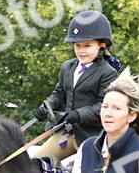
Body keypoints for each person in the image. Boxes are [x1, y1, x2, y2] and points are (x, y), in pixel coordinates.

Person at [29, 10, 120, 161]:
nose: (81, 51)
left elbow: (103, 107)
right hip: (68, 133)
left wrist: (78, 114)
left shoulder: (108, 73)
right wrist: (47, 106)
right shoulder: (68, 67)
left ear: (102, 45)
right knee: (36, 164)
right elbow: (60, 93)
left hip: (93, 138)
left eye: (87, 46)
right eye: (77, 45)